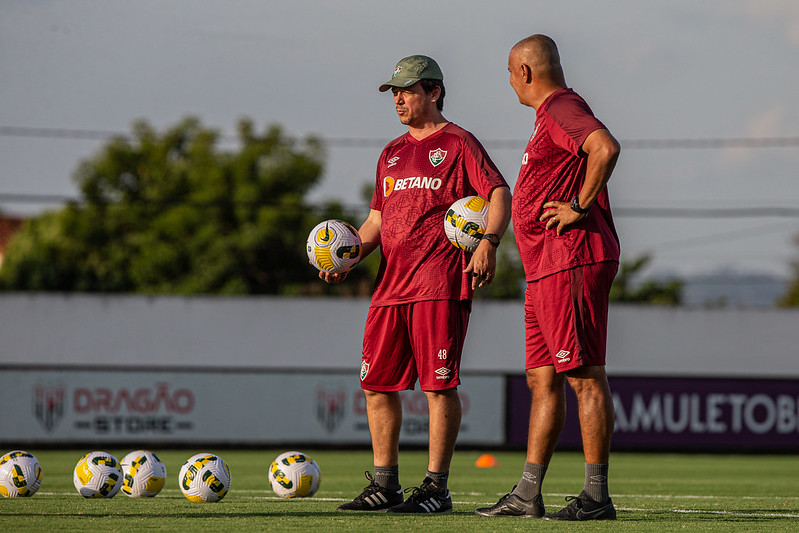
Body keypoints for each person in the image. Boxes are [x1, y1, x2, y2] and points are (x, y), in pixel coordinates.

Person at [320, 54, 511, 514]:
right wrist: (348, 256)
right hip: (390, 287)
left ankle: (436, 489)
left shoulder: (460, 143)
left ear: (434, 92)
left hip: (440, 283)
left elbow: (499, 193)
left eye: (406, 91)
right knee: (375, 385)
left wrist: (489, 240)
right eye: (395, 92)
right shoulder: (391, 152)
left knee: (437, 387)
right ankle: (386, 484)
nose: (399, 99)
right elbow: (375, 222)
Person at [475, 34, 621, 521]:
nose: (510, 84)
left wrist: (579, 207)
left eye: (509, 74)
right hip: (544, 270)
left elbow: (604, 147)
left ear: (524, 72)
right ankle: (527, 493)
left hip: (570, 259)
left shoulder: (561, 106)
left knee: (583, 376)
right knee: (542, 380)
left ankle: (596, 496)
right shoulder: (549, 116)